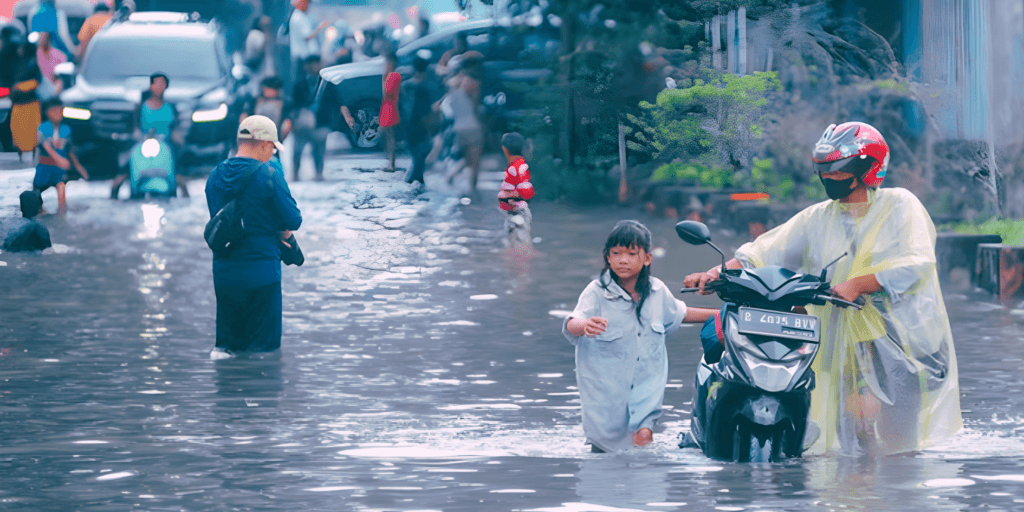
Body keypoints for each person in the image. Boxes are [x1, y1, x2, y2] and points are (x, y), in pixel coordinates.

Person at [684, 122, 962, 457]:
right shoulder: (818, 217)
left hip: (895, 343)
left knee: (893, 441)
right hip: (837, 341)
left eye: (838, 170)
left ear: (865, 170)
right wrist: (715, 273)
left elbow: (918, 262)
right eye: (824, 171)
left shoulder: (900, 206)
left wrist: (859, 283)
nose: (829, 177)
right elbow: (763, 251)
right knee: (850, 433)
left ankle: (894, 500)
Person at [563, 220, 717, 453]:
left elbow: (682, 314)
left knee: (643, 440)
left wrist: (724, 314)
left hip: (646, 392)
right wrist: (585, 325)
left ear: (647, 258)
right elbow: (572, 322)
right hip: (605, 397)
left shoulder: (657, 292)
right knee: (605, 454)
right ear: (607, 257)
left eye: (631, 253)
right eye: (616, 253)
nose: (623, 260)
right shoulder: (596, 292)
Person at [205, 115, 302, 357]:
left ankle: (225, 391)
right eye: (272, 148)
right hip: (262, 274)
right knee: (263, 355)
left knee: (226, 350)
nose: (271, 154)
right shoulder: (268, 174)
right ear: (263, 144)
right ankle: (260, 393)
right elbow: (293, 220)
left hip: (225, 275)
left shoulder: (214, 175)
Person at [110, 73, 181, 197]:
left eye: (162, 83)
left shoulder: (171, 107)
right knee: (123, 170)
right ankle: (115, 192)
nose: (159, 86)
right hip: (142, 143)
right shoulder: (140, 107)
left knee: (180, 175)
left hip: (166, 144)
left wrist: (177, 138)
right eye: (156, 83)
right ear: (151, 86)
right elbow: (133, 128)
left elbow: (176, 129)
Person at [34, 97, 89, 213]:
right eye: (54, 111)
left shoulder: (66, 130)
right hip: (45, 167)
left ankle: (62, 212)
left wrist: (79, 166)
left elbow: (70, 150)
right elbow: (46, 147)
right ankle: (41, 210)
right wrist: (60, 160)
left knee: (61, 187)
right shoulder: (42, 128)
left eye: (60, 111)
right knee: (37, 190)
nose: (58, 114)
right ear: (47, 112)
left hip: (59, 169)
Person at [401, 54, 441, 185]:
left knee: (417, 157)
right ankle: (413, 183)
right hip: (420, 126)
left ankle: (415, 182)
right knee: (420, 157)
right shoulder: (425, 88)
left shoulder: (406, 86)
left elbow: (404, 107)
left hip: (408, 126)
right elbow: (424, 111)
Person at [290, 55, 328, 181]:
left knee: (319, 150)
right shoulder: (299, 85)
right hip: (302, 123)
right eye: (311, 63)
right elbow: (294, 105)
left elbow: (332, 102)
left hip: (320, 123)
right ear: (306, 66)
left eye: (316, 63)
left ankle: (319, 173)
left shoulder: (326, 83)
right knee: (297, 150)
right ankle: (295, 173)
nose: (314, 66)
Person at [497, 132, 535, 247]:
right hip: (517, 213)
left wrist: (505, 196)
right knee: (519, 244)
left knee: (518, 247)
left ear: (505, 150)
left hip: (517, 213)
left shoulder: (516, 168)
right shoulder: (518, 166)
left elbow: (527, 192)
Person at [10, 40, 42, 158]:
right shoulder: (16, 64)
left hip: (30, 103)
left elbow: (36, 82)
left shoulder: (33, 64)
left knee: (31, 131)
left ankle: (32, 151)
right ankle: (20, 151)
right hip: (18, 103)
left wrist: (20, 87)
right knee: (18, 130)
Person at [288, 0, 328, 88]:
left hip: (303, 56)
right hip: (302, 57)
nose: (308, 5)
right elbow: (307, 36)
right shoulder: (299, 17)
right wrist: (320, 27)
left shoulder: (302, 16)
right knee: (303, 83)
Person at [380, 51, 401, 172]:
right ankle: (390, 162)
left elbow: (387, 93)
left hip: (390, 108)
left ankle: (391, 164)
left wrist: (383, 80)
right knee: (387, 136)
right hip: (387, 107)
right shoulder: (391, 75)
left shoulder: (393, 76)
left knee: (390, 137)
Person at [244, 15, 274, 79]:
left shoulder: (253, 34)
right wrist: (267, 31)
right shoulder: (256, 34)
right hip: (261, 68)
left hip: (259, 68)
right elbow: (260, 46)